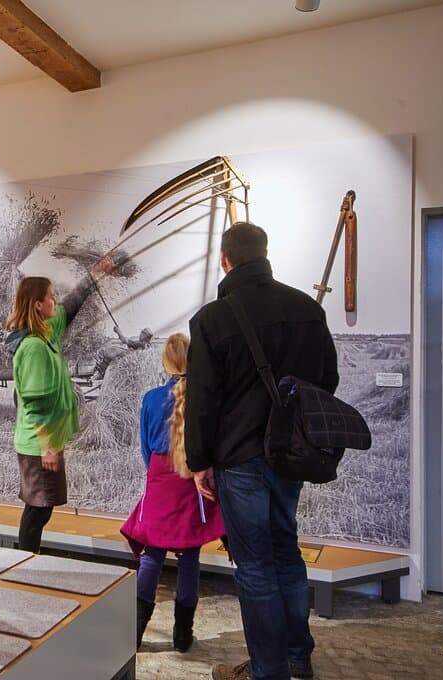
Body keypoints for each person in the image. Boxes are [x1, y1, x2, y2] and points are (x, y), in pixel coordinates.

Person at [185, 223, 339, 680]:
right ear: (265, 253)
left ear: (225, 259)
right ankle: (296, 657)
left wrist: (199, 462)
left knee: (254, 566)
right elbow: (326, 381)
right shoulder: (307, 310)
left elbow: (202, 401)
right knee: (286, 550)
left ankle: (267, 670)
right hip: (290, 455)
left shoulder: (212, 319)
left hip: (239, 459)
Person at [120, 333, 225, 652]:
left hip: (160, 478)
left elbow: (144, 449)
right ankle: (182, 635)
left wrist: (156, 473)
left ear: (166, 361)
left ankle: (135, 633)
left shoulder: (151, 399)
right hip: (191, 477)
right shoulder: (205, 398)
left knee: (152, 554)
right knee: (189, 554)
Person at [5, 256, 113, 552]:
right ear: (38, 305)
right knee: (38, 508)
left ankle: (27, 556)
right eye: (51, 297)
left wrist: (94, 276)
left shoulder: (45, 331)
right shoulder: (34, 347)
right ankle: (25, 560)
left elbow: (71, 307)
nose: (56, 301)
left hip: (43, 442)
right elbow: (37, 401)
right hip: (38, 443)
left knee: (41, 508)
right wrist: (49, 445)